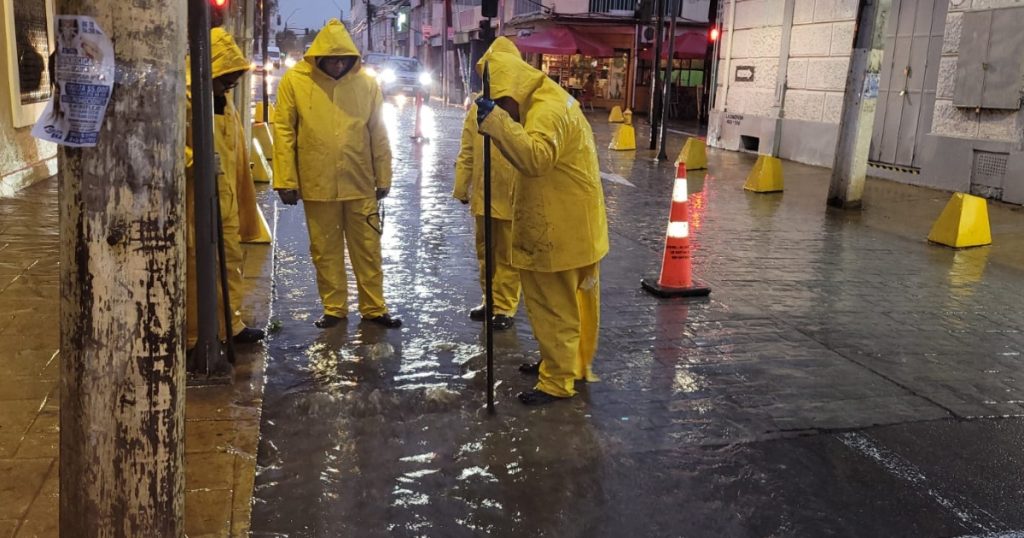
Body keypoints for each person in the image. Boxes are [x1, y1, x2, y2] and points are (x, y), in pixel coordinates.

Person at [475, 47, 609, 406]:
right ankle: (564, 364)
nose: (506, 113)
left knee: (554, 308)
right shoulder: (548, 99)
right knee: (568, 306)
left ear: (511, 90)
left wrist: (497, 124)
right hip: (573, 226)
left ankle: (557, 382)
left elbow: (536, 159)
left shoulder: (546, 111)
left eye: (504, 105)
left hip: (559, 229)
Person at [273, 20, 401, 329]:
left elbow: (378, 134)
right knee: (325, 251)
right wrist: (286, 180)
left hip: (360, 183)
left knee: (368, 250)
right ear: (319, 57)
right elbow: (284, 132)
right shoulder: (295, 82)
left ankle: (374, 308)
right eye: (333, 58)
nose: (339, 63)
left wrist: (383, 176)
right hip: (318, 184)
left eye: (344, 57)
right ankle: (334, 309)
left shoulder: (366, 85)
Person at [184, 27, 266, 350]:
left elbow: (238, 152)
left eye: (234, 79)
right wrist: (196, 160)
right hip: (196, 202)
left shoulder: (226, 102)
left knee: (230, 263)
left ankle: (231, 324)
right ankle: (196, 335)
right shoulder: (188, 101)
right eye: (226, 77)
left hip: (227, 199)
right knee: (198, 268)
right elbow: (172, 146)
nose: (230, 85)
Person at [453, 37, 522, 331]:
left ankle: (505, 307)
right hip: (483, 196)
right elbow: (467, 150)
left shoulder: (523, 107)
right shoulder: (477, 109)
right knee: (485, 253)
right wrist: (461, 186)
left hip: (512, 197)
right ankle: (489, 300)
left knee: (507, 256)